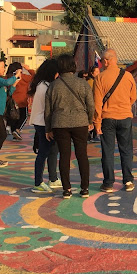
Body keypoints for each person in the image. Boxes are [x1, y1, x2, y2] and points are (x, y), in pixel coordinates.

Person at [45, 54, 94, 199]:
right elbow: (91, 104)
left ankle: (67, 189)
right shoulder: (83, 83)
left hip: (60, 123)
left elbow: (48, 109)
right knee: (82, 155)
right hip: (80, 123)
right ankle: (84, 188)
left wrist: (48, 129)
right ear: (73, 66)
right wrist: (89, 120)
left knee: (64, 156)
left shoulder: (54, 85)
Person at [93, 49, 137, 193]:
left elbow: (97, 103)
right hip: (125, 117)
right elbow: (133, 97)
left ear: (106, 61)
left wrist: (97, 123)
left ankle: (108, 183)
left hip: (107, 119)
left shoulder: (100, 78)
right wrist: (124, 106)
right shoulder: (128, 76)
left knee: (108, 152)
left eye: (101, 61)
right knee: (126, 150)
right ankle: (128, 181)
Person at [27, 59, 62, 193]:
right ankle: (38, 182)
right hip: (43, 123)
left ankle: (53, 178)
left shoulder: (43, 84)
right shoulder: (45, 86)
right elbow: (48, 108)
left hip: (42, 121)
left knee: (52, 150)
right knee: (43, 152)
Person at [6, 62, 34, 140]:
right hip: (22, 101)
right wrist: (28, 69)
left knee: (13, 116)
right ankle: (17, 130)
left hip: (11, 101)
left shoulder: (8, 77)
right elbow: (35, 76)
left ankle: (12, 129)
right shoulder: (23, 77)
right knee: (24, 117)